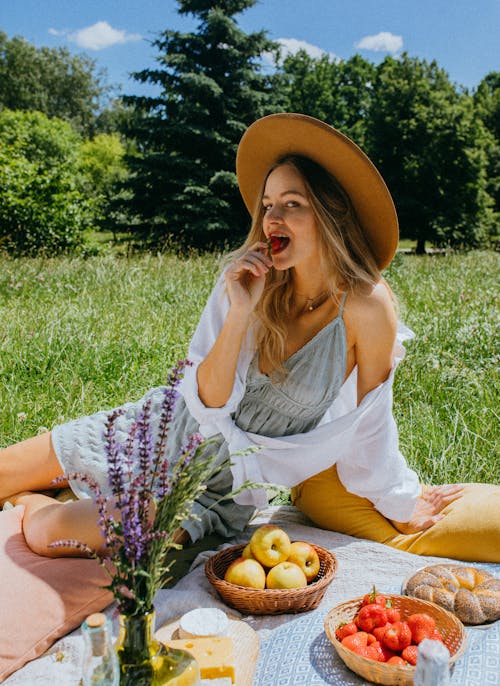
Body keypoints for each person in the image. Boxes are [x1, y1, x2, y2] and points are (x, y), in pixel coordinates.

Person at [1, 113, 498, 563]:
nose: (271, 219)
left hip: (214, 491)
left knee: (50, 534)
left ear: (331, 216)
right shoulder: (244, 284)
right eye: (267, 205)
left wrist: (401, 502)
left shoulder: (367, 307)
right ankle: (41, 488)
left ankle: (32, 505)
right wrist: (240, 312)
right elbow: (205, 401)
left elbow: (372, 422)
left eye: (292, 204)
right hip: (153, 434)